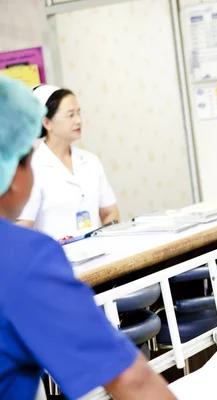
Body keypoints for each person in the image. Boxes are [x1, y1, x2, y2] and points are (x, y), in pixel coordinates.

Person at [0, 75, 175, 399]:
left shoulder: (88, 161)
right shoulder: (22, 259)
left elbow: (110, 210)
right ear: (13, 171)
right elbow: (131, 381)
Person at [16, 84, 119, 239]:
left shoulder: (90, 161)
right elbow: (23, 229)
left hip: (100, 257)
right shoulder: (32, 168)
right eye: (70, 115)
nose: (78, 121)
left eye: (79, 113)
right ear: (47, 123)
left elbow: (110, 212)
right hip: (55, 260)